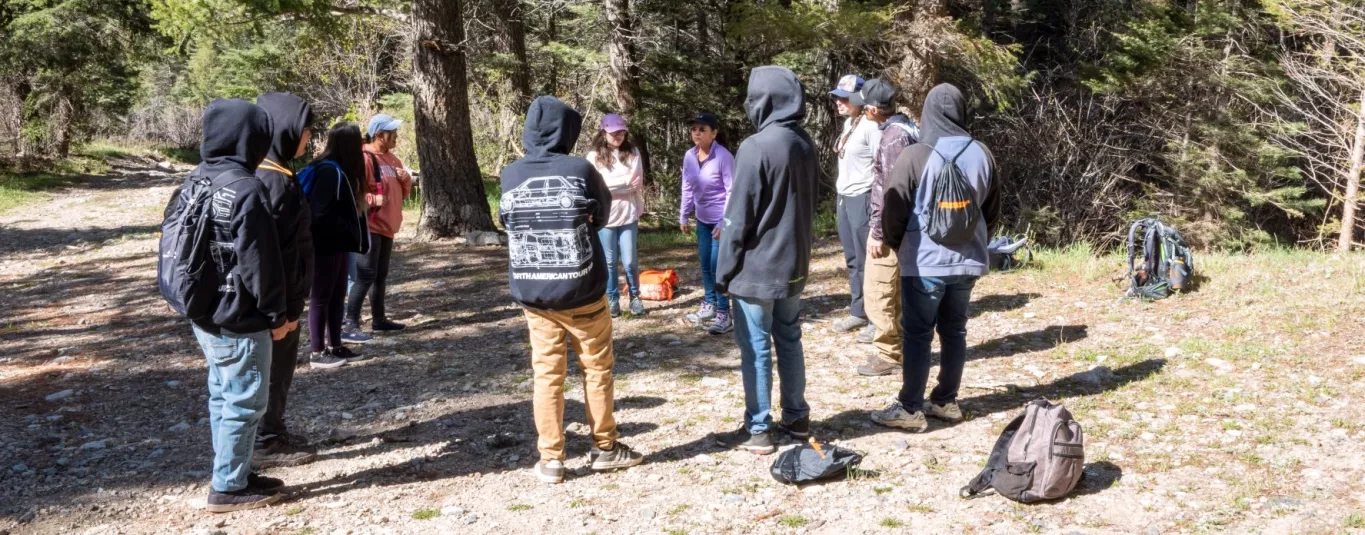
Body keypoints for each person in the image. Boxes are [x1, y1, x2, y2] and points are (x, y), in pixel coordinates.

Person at [500, 95, 645, 484]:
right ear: (567, 131)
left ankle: (551, 460)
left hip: (535, 294)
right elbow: (600, 214)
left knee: (546, 374)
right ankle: (605, 448)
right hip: (583, 290)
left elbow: (506, 220)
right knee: (597, 369)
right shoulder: (579, 168)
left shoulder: (510, 173)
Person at [874, 83, 1000, 432]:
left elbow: (894, 208)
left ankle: (910, 408)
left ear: (928, 112)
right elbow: (992, 210)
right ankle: (946, 401)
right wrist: (974, 239)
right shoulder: (983, 153)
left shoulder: (916, 154)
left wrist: (897, 244)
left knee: (917, 334)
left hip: (924, 260)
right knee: (955, 330)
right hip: (969, 258)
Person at [184, 98, 290, 512]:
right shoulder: (246, 188)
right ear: (250, 137)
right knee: (245, 400)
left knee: (222, 394)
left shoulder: (198, 178)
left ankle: (236, 471)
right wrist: (276, 316)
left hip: (204, 311)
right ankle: (228, 484)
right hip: (239, 315)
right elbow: (260, 264)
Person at [712, 66, 818, 455]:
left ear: (764, 100)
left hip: (757, 269)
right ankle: (796, 417)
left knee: (756, 346)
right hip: (795, 265)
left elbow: (738, 217)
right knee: (789, 338)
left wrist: (723, 272)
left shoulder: (756, 146)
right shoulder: (805, 143)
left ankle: (758, 429)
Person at [251, 92, 318, 468]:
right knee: (275, 370)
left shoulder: (262, 169)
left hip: (274, 297)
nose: (308, 138)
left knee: (271, 370)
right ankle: (267, 439)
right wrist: (288, 309)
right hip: (280, 301)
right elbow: (280, 253)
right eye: (305, 130)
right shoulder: (274, 181)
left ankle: (269, 431)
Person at [854, 79, 920, 377]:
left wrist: (879, 232)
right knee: (893, 290)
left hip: (893, 228)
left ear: (871, 110)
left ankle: (888, 354)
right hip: (906, 226)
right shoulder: (907, 128)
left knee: (879, 289)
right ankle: (900, 348)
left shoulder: (893, 137)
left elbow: (889, 190)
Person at [303, 123, 371, 370]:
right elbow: (319, 213)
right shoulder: (329, 171)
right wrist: (345, 227)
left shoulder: (340, 170)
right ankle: (317, 351)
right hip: (325, 244)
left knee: (336, 296)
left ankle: (335, 345)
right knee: (321, 297)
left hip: (339, 244)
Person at [344, 114, 413, 340]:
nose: (396, 136)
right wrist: (373, 200)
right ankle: (350, 323)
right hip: (370, 226)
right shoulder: (364, 157)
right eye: (391, 132)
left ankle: (379, 320)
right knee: (365, 275)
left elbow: (404, 193)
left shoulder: (393, 160)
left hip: (388, 226)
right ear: (378, 134)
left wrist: (405, 180)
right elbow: (354, 193)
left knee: (380, 276)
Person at [829, 74, 883, 340]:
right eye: (837, 97)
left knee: (867, 260)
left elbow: (881, 165)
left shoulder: (871, 127)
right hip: (844, 197)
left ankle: (876, 317)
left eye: (844, 97)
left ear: (859, 99)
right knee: (852, 259)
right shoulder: (851, 123)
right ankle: (858, 310)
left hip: (862, 197)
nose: (839, 102)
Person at [679, 112, 735, 334]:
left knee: (717, 266)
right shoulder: (689, 156)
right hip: (702, 220)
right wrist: (684, 214)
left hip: (721, 221)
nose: (696, 133)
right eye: (694, 129)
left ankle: (724, 313)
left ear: (714, 133)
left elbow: (732, 190)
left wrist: (724, 221)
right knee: (704, 264)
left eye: (702, 129)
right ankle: (709, 305)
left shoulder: (723, 157)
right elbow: (687, 186)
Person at [585, 113, 645, 318]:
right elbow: (595, 187)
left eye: (621, 132)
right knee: (609, 261)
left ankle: (635, 297)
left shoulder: (633, 152)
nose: (618, 136)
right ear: (604, 133)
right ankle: (612, 298)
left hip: (629, 214)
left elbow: (635, 183)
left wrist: (609, 186)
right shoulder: (593, 157)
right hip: (605, 217)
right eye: (613, 133)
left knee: (630, 261)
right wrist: (619, 185)